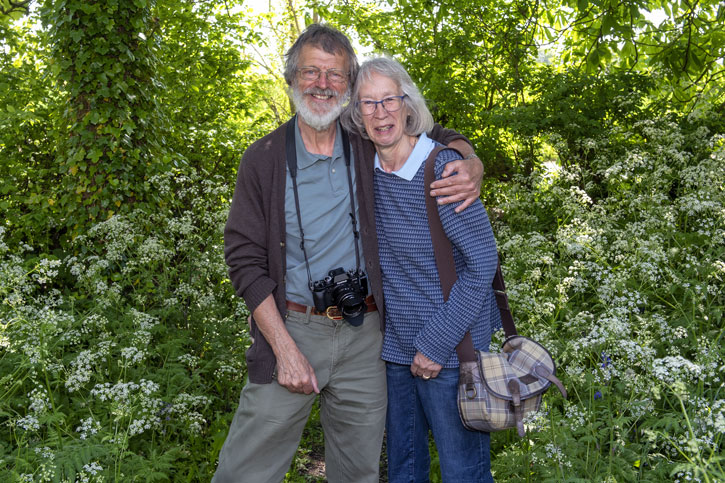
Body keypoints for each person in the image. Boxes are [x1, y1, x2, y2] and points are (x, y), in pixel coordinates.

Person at [214, 25, 483, 483]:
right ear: (290, 78)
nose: (322, 84)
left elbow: (428, 131)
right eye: (311, 72)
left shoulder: (364, 139)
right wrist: (283, 349)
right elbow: (243, 259)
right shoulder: (262, 159)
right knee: (245, 472)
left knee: (358, 472)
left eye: (335, 75)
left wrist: (469, 159)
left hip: (367, 337)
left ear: (349, 85)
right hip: (293, 330)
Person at [343, 56, 500, 482]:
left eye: (389, 100)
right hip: (395, 352)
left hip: (449, 354)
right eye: (368, 103)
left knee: (462, 473)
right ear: (357, 114)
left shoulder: (444, 169)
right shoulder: (364, 171)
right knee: (404, 472)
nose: (381, 113)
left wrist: (436, 344)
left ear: (407, 104)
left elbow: (483, 261)